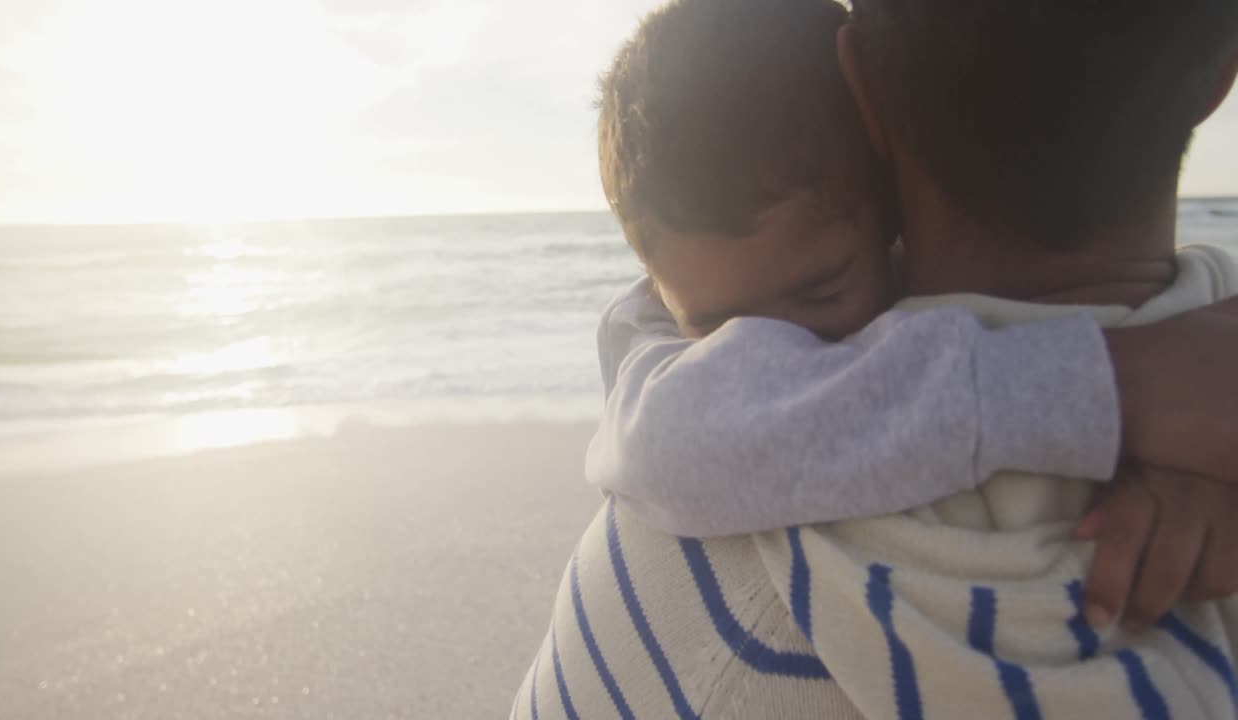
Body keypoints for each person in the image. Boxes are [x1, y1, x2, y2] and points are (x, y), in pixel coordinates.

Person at [513, 0, 1238, 716]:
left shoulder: (714, 579)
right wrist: (1110, 384)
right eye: (721, 335)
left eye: (820, 292)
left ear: (864, 96)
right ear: (1220, 76)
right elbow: (666, 430)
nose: (776, 347)